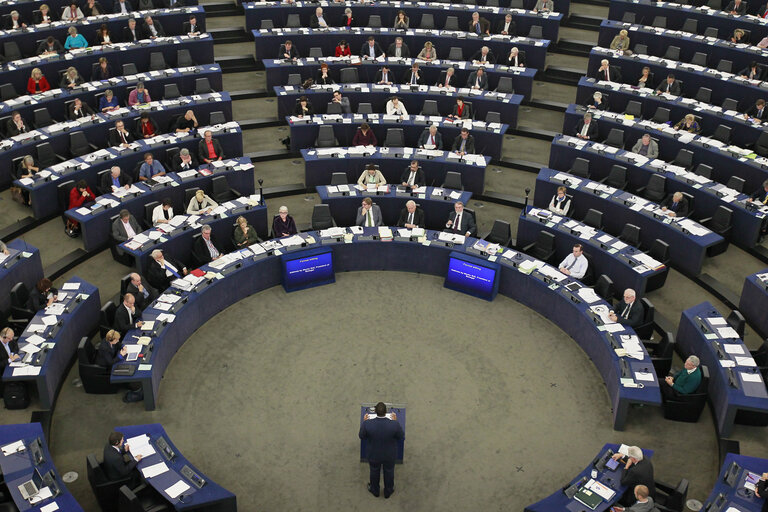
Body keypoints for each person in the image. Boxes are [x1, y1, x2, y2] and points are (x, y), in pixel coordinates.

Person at [359, 402, 404, 499]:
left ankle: (375, 490)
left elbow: (361, 436)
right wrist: (395, 421)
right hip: (389, 455)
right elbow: (401, 436)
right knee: (389, 471)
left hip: (374, 454)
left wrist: (364, 422)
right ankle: (388, 491)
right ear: (386, 412)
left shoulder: (367, 423)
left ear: (375, 412)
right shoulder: (394, 424)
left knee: (374, 471)